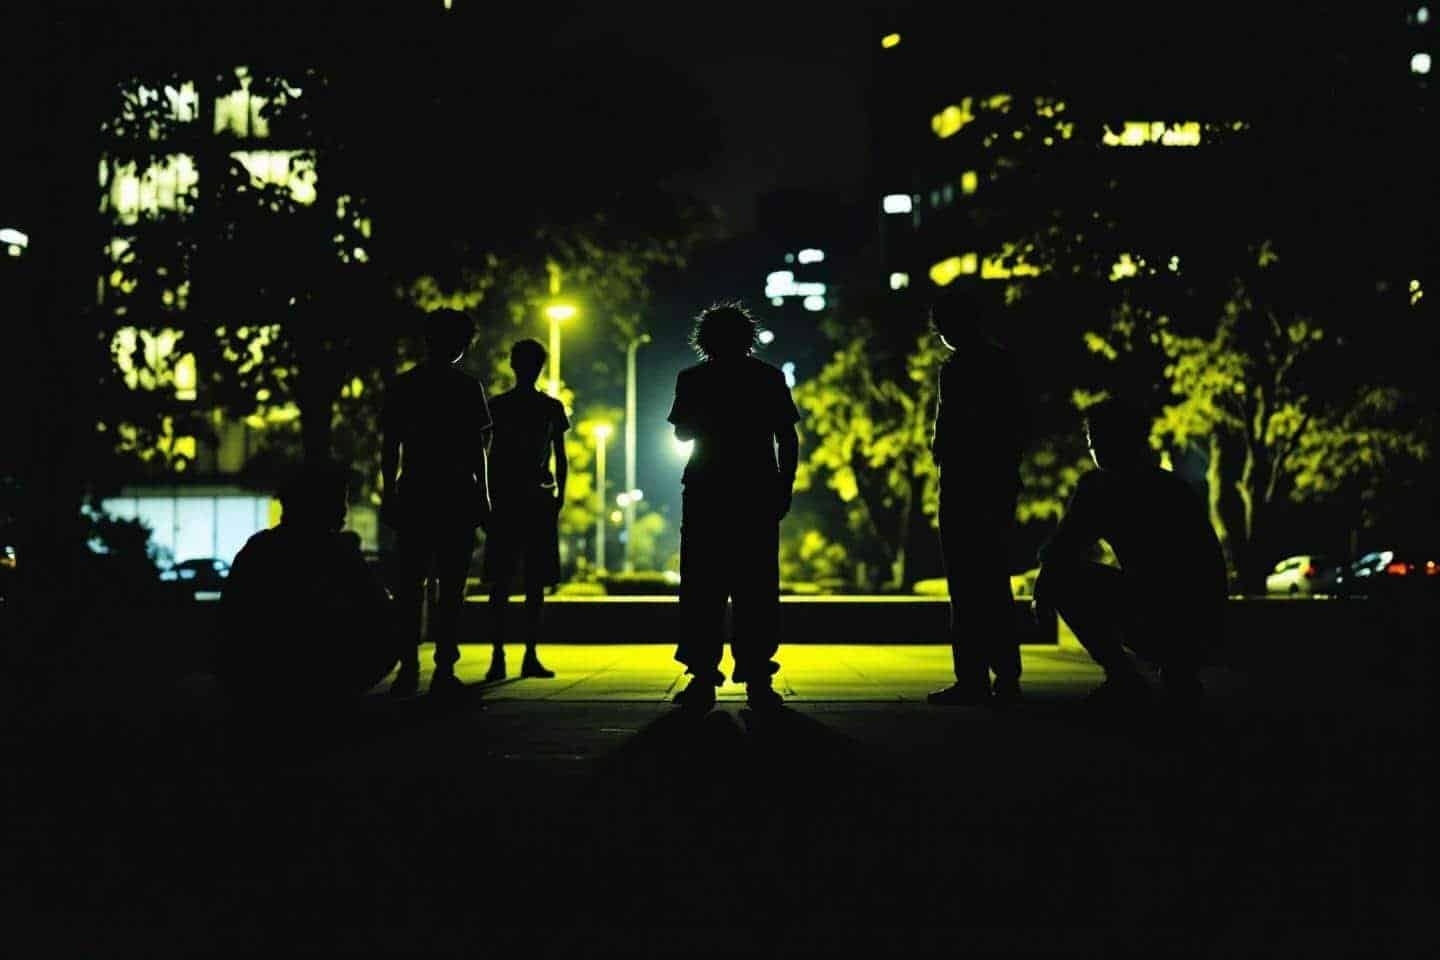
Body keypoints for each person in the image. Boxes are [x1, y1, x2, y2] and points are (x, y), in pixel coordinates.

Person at [1032, 398, 1228, 710]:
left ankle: (1126, 677)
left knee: (1063, 577)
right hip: (1199, 618)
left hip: (1165, 614)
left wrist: (1045, 585)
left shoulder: (1101, 487)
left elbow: (1062, 548)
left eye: (1097, 438)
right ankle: (1178, 671)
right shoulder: (1172, 488)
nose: (1095, 446)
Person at [667, 302, 800, 712]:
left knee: (701, 585)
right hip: (756, 488)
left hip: (707, 489)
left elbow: (683, 433)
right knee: (757, 586)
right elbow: (788, 438)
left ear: (704, 340)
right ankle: (758, 677)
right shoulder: (768, 378)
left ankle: (703, 677)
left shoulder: (691, 379)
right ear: (748, 338)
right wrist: (785, 485)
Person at [218, 461, 399, 704]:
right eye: (339, 500)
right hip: (328, 682)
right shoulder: (339, 555)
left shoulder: (258, 549)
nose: (344, 510)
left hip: (259, 685)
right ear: (323, 505)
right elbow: (381, 616)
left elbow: (229, 624)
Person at [380, 308, 491, 697]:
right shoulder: (467, 388)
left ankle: (408, 667)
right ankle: (444, 667)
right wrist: (484, 496)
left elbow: (389, 445)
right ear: (460, 345)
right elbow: (478, 449)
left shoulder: (404, 386)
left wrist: (388, 492)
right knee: (451, 587)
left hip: (415, 490)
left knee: (410, 586)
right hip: (455, 493)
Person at [926, 290, 1029, 707]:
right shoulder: (1004, 365)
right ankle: (1005, 676)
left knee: (966, 586)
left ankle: (972, 678)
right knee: (993, 581)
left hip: (964, 482)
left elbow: (948, 429)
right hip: (995, 480)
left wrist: (944, 453)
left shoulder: (957, 369)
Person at [480, 339, 569, 681]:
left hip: (507, 499)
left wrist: (484, 496)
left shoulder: (498, 406)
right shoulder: (550, 407)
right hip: (535, 499)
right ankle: (527, 654)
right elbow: (560, 455)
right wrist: (559, 494)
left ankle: (499, 656)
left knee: (501, 582)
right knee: (533, 582)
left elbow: (486, 456)